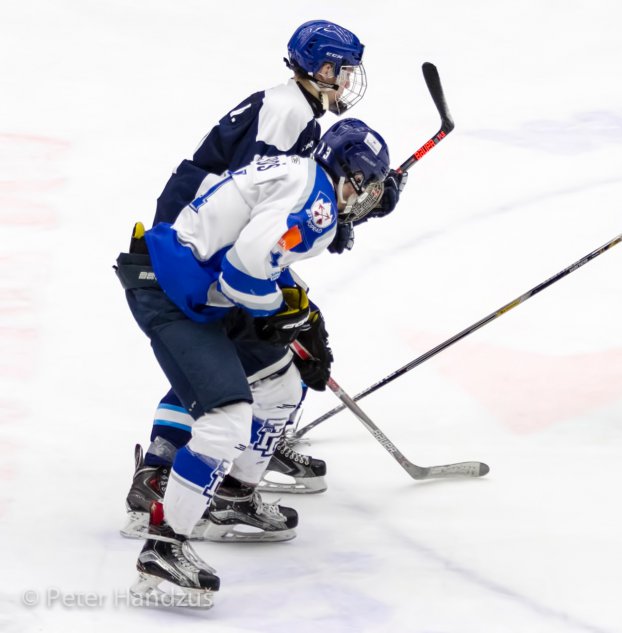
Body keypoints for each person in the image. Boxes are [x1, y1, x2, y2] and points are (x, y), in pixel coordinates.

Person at [121, 19, 406, 539]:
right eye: (341, 71)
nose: (347, 82)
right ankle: (162, 471)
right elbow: (262, 206)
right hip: (197, 248)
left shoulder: (296, 109)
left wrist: (362, 197)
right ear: (320, 68)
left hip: (209, 240)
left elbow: (290, 205)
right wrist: (339, 218)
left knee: (267, 339)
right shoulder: (288, 112)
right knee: (237, 345)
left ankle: (252, 442)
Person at [115, 118, 392, 601]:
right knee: (226, 422)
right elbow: (242, 274)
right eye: (364, 185)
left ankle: (232, 496)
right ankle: (164, 546)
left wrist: (298, 314)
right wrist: (281, 315)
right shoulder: (317, 202)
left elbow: (258, 257)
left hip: (193, 284)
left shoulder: (304, 174)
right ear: (349, 174)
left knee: (281, 384)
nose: (364, 198)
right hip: (171, 293)